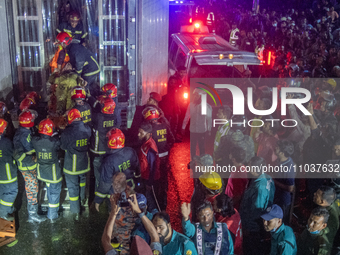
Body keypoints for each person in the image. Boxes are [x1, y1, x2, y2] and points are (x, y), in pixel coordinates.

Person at [94, 128, 140, 211]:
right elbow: (137, 168)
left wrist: (98, 200)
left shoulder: (108, 162)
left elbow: (105, 184)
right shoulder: (131, 151)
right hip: (130, 189)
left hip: (115, 194)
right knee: (129, 212)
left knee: (115, 215)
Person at [13, 110, 46, 223]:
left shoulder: (26, 130)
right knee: (32, 188)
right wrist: (32, 158)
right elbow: (18, 155)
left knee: (35, 187)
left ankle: (35, 211)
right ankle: (32, 215)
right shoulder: (20, 135)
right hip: (27, 166)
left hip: (31, 165)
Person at [240, 156, 275, 255]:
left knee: (252, 248)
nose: (248, 168)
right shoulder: (268, 177)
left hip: (253, 228)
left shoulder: (259, 188)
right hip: (259, 224)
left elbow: (256, 211)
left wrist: (248, 228)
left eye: (250, 167)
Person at [60, 108, 91, 221]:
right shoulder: (87, 129)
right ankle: (83, 199)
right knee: (82, 181)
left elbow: (63, 146)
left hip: (72, 166)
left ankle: (76, 211)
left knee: (73, 188)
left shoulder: (67, 132)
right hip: (84, 162)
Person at [142, 106, 174, 210]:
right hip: (165, 159)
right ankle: (163, 206)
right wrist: (166, 149)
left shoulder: (150, 129)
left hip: (155, 160)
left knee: (154, 183)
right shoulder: (164, 125)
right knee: (164, 184)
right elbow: (172, 139)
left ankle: (154, 207)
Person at [32, 119, 62, 223]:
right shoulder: (54, 142)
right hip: (53, 173)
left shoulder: (35, 141)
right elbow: (59, 145)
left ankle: (49, 211)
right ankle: (52, 215)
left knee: (48, 188)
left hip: (42, 172)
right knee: (54, 192)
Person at [57, 32, 100, 96]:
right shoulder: (71, 47)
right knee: (85, 86)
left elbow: (79, 62)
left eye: (61, 43)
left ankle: (85, 102)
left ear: (64, 43)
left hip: (91, 70)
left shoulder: (74, 49)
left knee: (83, 87)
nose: (60, 45)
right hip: (89, 68)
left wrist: (78, 75)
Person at [89, 96, 116, 192]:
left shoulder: (98, 117)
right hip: (110, 151)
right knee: (108, 176)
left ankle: (99, 198)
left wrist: (90, 98)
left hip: (98, 152)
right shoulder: (114, 116)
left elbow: (89, 116)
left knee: (98, 177)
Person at [182, 88, 212, 160]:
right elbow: (187, 116)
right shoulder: (191, 105)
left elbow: (209, 118)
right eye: (194, 95)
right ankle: (193, 160)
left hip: (202, 130)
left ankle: (202, 161)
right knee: (193, 147)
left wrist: (209, 130)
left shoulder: (206, 106)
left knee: (202, 147)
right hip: (193, 130)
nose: (195, 96)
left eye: (197, 95)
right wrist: (183, 127)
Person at [137, 122, 160, 212]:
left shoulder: (150, 148)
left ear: (147, 133)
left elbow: (153, 166)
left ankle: (155, 216)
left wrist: (149, 183)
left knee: (152, 200)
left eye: (141, 133)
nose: (138, 134)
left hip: (150, 180)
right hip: (145, 177)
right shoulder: (146, 143)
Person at [274, 140, 296, 225]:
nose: (275, 148)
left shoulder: (288, 167)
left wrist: (274, 181)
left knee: (280, 222)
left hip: (283, 200)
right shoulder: (281, 161)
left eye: (277, 148)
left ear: (282, 153)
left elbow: (290, 188)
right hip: (278, 196)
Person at [0, 119, 18, 221]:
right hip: (7, 173)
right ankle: (3, 212)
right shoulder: (6, 142)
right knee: (11, 192)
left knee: (2, 191)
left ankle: (9, 208)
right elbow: (14, 154)